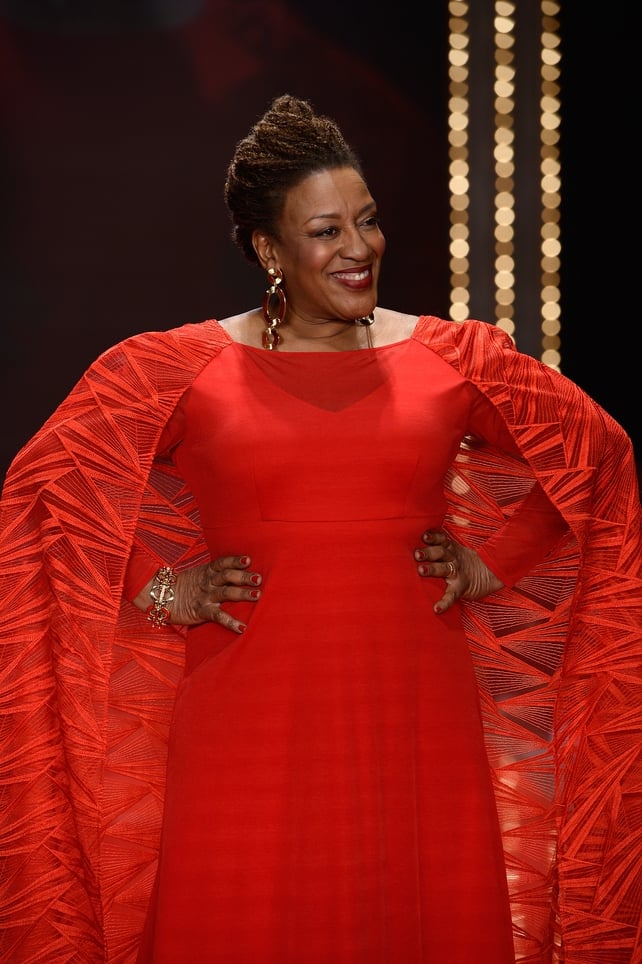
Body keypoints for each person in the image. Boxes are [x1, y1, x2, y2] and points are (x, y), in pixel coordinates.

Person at [0, 94, 640, 964]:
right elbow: (47, 491)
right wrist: (163, 587)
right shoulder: (181, 369)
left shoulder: (452, 360)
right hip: (247, 722)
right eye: (326, 231)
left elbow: (596, 458)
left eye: (367, 222)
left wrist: (495, 562)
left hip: (416, 720)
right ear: (270, 250)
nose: (359, 248)